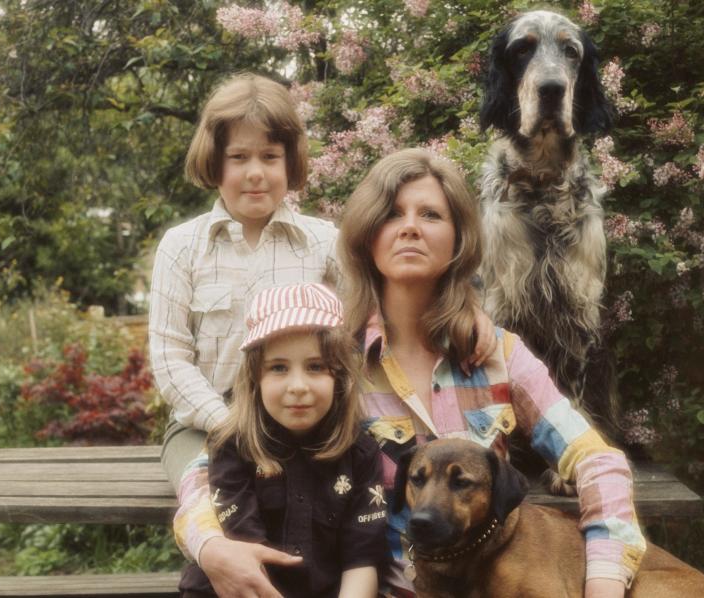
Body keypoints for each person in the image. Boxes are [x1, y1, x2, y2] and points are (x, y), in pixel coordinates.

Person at [152, 73, 495, 597]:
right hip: (207, 424)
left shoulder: (322, 242)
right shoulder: (183, 247)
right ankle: (233, 574)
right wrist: (237, 426)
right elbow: (170, 358)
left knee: (336, 497)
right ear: (213, 160)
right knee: (208, 494)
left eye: (269, 156)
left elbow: (383, 309)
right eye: (238, 157)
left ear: (291, 161)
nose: (254, 173)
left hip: (308, 416)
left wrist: (471, 307)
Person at [337, 148, 646, 598]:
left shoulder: (499, 354)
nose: (409, 227)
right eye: (391, 214)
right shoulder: (336, 363)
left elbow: (598, 460)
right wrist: (213, 546)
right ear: (367, 235)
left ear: (459, 239)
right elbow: (230, 459)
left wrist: (604, 579)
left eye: (430, 214)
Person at [179, 283, 388, 597]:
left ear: (340, 376)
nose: (298, 386)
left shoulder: (361, 454)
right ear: (255, 378)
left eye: (316, 367)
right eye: (278, 368)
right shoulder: (232, 446)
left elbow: (361, 558)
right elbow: (246, 551)